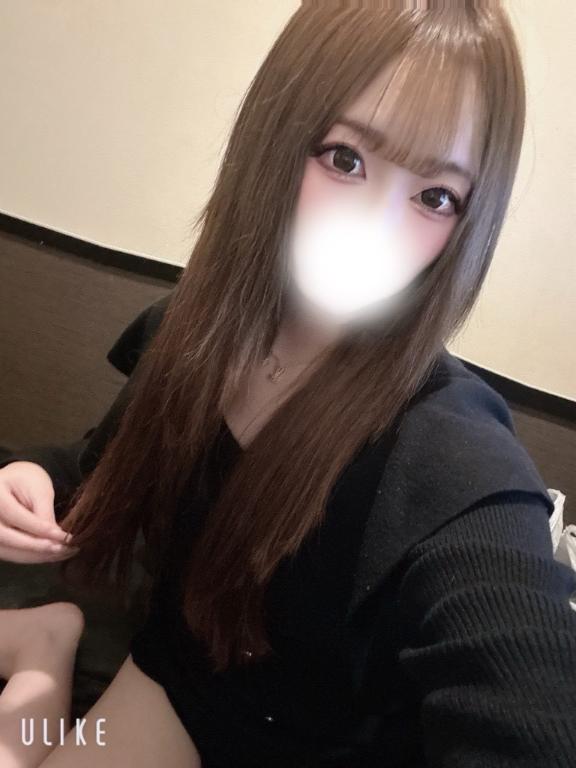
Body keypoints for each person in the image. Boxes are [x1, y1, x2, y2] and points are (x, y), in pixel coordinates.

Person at [1, 2, 575, 767]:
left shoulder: (454, 456)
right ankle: (44, 645)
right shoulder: (192, 334)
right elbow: (99, 467)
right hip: (179, 679)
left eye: (435, 196)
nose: (376, 224)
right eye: (345, 158)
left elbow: (527, 697)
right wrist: (32, 476)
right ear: (276, 140)